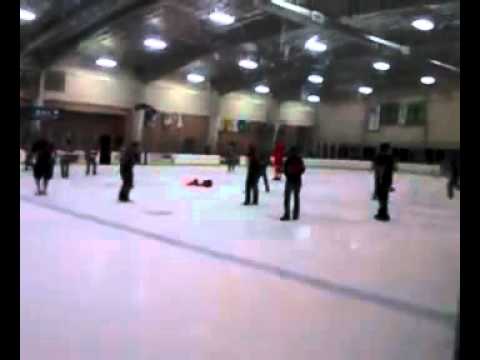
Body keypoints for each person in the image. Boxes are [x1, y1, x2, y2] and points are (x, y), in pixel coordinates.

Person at [281, 146, 305, 221]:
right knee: (296, 198)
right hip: (297, 180)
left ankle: (287, 214)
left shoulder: (288, 159)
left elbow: (284, 169)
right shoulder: (300, 159)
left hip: (290, 180)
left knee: (287, 198)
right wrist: (298, 174)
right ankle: (295, 215)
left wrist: (288, 175)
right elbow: (303, 169)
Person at [372, 143, 395, 222]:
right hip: (385, 180)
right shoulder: (387, 158)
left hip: (382, 180)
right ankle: (382, 213)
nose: (390, 150)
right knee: (383, 197)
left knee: (382, 197)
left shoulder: (380, 158)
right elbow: (385, 170)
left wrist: (381, 181)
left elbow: (380, 170)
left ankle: (383, 214)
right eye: (389, 149)